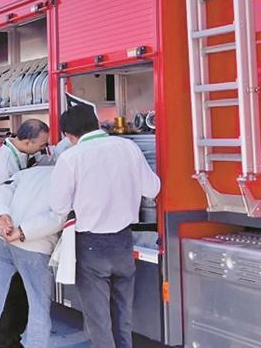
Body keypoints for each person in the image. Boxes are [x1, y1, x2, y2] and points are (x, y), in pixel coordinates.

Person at [49, 105, 161, 348]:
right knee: (123, 315)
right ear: (96, 122)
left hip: (90, 245)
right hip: (123, 242)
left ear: (68, 135)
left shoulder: (71, 158)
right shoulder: (128, 147)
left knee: (99, 320)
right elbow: (152, 189)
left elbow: (59, 207)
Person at [0, 119, 50, 348]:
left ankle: (8, 341)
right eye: (41, 145)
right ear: (26, 142)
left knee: (8, 300)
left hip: (10, 237)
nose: (44, 149)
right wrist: (18, 230)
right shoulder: (2, 165)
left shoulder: (20, 154)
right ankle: (7, 342)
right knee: (6, 301)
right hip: (5, 236)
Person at [0, 165, 68, 348]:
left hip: (7, 238)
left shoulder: (27, 173)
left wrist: (2, 218)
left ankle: (7, 342)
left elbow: (1, 189)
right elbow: (59, 217)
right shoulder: (64, 177)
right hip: (34, 245)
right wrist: (23, 232)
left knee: (13, 295)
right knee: (37, 307)